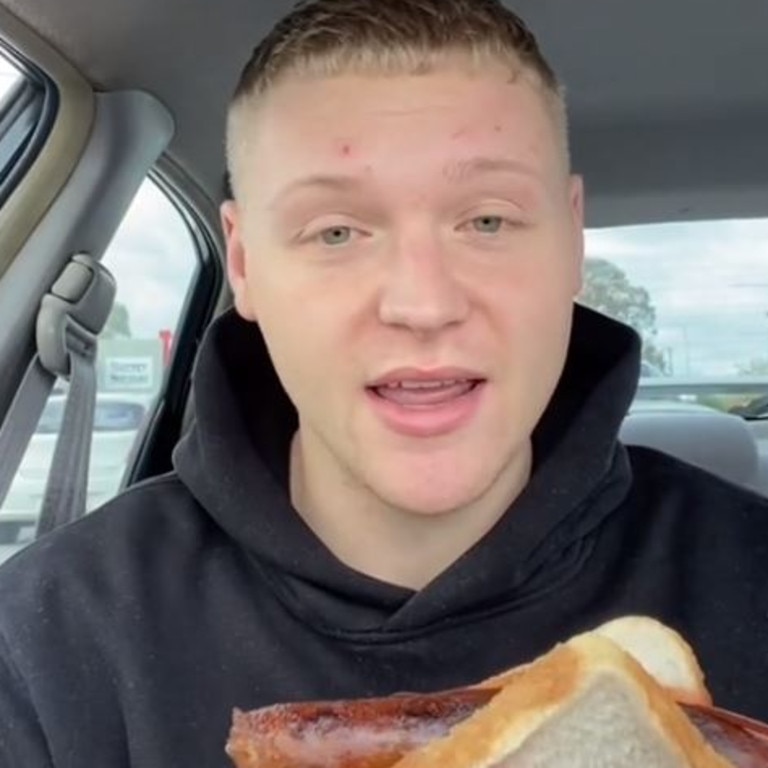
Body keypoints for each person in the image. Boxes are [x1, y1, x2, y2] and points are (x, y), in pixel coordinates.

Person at [1, 0, 768, 765]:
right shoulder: (44, 648)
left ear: (571, 240)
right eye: (336, 231)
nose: (423, 305)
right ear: (243, 266)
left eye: (488, 222)